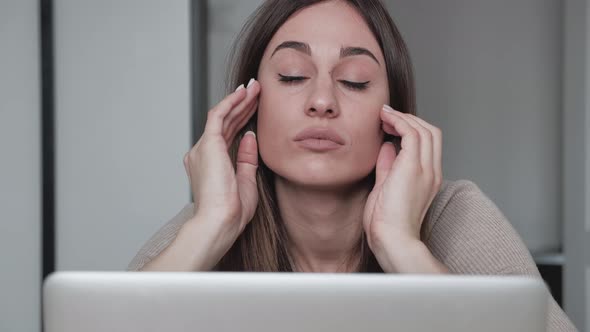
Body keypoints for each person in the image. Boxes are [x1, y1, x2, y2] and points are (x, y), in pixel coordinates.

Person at [128, 0, 577, 330]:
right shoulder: (207, 221)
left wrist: (403, 248)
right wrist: (211, 228)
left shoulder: (455, 215)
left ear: (394, 117)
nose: (322, 101)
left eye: (354, 81)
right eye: (292, 76)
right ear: (248, 108)